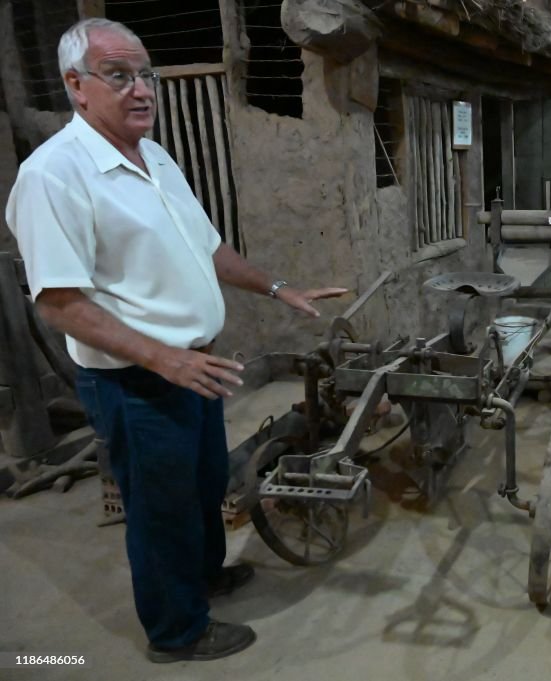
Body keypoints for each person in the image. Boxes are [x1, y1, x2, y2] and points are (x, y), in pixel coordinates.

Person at [4, 18, 348, 662]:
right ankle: (176, 631)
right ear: (76, 86)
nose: (141, 90)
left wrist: (278, 288)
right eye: (118, 76)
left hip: (193, 366)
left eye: (146, 75)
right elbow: (58, 302)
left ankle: (205, 577)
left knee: (202, 482)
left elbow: (206, 246)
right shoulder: (54, 177)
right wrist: (166, 359)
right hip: (137, 380)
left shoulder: (153, 155)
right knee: (159, 506)